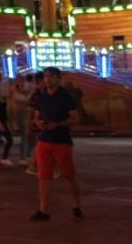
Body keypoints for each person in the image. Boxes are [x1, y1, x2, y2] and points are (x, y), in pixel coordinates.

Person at [30, 67, 81, 222]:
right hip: (44, 141)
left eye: (51, 76)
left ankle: (76, 205)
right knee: (43, 176)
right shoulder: (42, 97)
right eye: (45, 77)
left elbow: (75, 118)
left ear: (59, 78)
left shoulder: (66, 97)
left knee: (68, 175)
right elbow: (36, 116)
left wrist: (57, 124)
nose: (47, 80)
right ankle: (43, 210)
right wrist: (39, 124)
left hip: (62, 141)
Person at [25, 71, 45, 175]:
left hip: (42, 122)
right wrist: (28, 126)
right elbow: (30, 111)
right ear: (39, 81)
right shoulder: (36, 94)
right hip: (38, 123)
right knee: (40, 145)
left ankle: (34, 165)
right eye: (44, 79)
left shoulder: (43, 93)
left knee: (41, 145)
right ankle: (33, 165)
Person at [12, 74, 34, 165]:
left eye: (22, 80)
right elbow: (23, 103)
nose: (21, 82)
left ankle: (28, 155)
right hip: (20, 115)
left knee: (31, 136)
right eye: (19, 80)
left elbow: (29, 101)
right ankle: (22, 157)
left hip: (28, 114)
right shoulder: (15, 92)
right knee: (24, 135)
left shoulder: (26, 91)